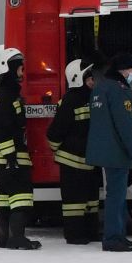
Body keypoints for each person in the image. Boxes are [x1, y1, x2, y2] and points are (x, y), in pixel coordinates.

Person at [0, 45, 41, 250]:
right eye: (19, 68)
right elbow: (0, 127)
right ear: (7, 69)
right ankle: (16, 238)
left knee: (7, 196)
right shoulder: (3, 95)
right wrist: (10, 155)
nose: (22, 72)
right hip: (10, 154)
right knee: (21, 194)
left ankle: (5, 238)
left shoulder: (7, 93)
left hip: (9, 154)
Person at [85, 52, 132, 252]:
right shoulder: (119, 90)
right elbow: (125, 123)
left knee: (115, 194)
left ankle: (118, 234)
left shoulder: (100, 87)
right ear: (123, 70)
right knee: (116, 196)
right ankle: (113, 238)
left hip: (104, 149)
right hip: (117, 151)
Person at [47, 57, 101, 245]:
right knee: (75, 202)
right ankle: (76, 235)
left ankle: (89, 232)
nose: (93, 81)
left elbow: (55, 136)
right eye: (89, 78)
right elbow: (55, 132)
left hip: (88, 160)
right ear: (79, 78)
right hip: (74, 161)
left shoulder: (92, 98)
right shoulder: (70, 101)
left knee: (91, 200)